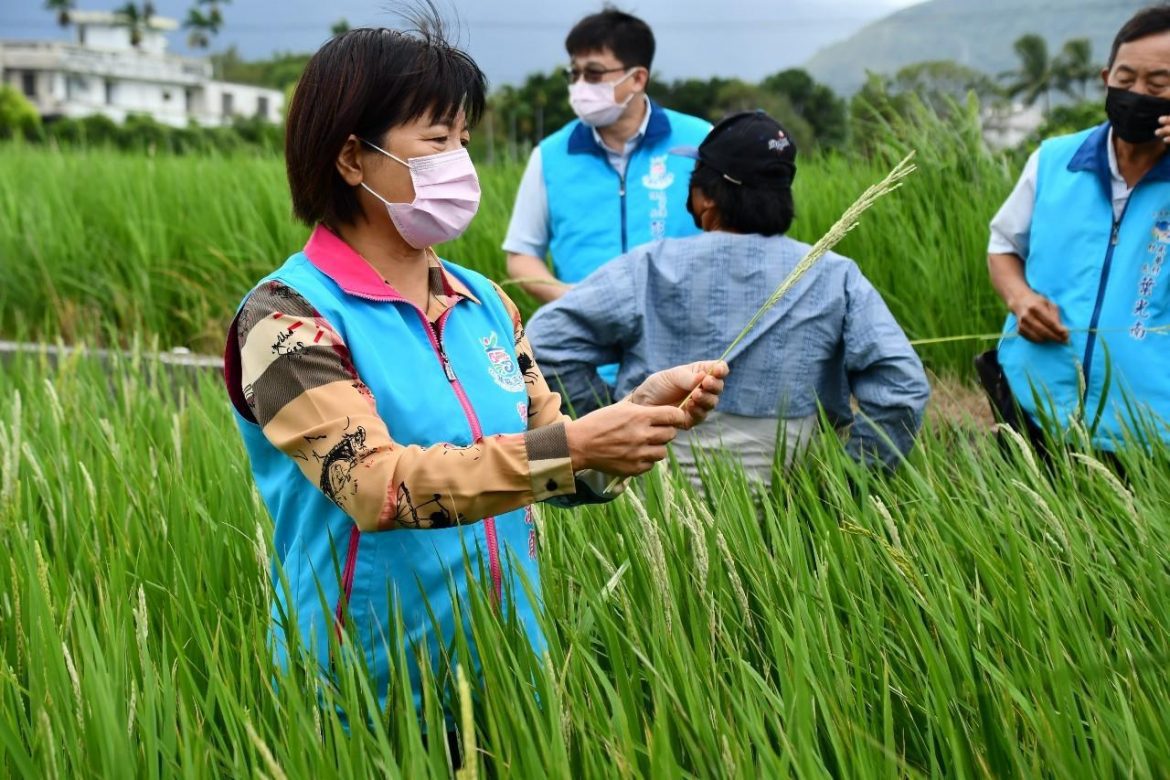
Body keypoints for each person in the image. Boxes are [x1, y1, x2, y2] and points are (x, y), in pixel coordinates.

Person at [221, 23, 728, 734]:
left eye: (464, 138)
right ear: (350, 158)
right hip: (366, 692)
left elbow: (546, 456)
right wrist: (576, 446)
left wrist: (635, 418)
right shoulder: (287, 320)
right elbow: (379, 488)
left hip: (508, 678)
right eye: (436, 139)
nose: (459, 159)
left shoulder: (485, 302)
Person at [526, 110, 930, 486]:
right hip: (795, 506)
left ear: (705, 197)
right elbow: (903, 388)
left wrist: (613, 413)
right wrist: (846, 482)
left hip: (654, 498)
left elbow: (542, 343)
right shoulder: (832, 275)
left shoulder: (649, 267)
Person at [984, 4, 1170, 455]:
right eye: (1125, 80)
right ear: (1106, 77)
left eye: (1158, 85)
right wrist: (1020, 299)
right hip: (1035, 409)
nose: (1136, 93)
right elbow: (1004, 246)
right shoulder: (1054, 160)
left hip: (1146, 432)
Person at [503, 8, 712, 396]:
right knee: (596, 449)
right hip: (583, 360)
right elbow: (521, 255)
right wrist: (577, 301)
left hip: (685, 347)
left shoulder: (699, 143)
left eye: (594, 73)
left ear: (637, 78)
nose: (581, 84)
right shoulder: (551, 155)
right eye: (575, 73)